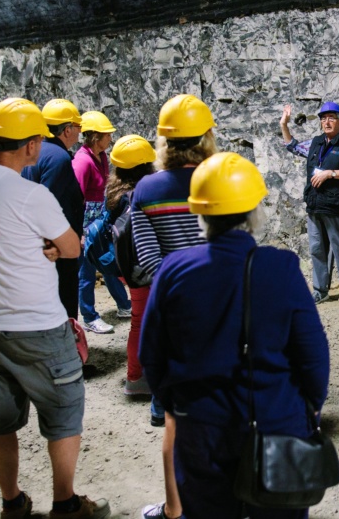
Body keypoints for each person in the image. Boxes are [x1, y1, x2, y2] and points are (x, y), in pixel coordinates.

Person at [140, 152, 330, 519]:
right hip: (278, 424)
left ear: (200, 212)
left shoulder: (174, 270)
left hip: (202, 430)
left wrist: (181, 403)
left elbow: (153, 356)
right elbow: (313, 357)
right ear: (254, 211)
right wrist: (309, 410)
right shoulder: (281, 267)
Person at [0, 98, 110, 519]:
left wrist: (36, 244)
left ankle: (13, 502)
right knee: (64, 413)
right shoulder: (33, 195)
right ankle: (65, 502)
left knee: (2, 419)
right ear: (30, 144)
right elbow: (72, 247)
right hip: (38, 328)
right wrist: (47, 245)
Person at [132, 93, 218, 519]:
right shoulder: (220, 181)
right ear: (206, 137)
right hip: (219, 310)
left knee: (174, 419)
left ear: (163, 142)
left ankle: (174, 509)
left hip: (171, 313)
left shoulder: (146, 190)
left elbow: (147, 261)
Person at [279, 100, 339, 310]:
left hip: (337, 207)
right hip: (315, 205)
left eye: (331, 118)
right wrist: (284, 125)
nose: (326, 122)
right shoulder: (316, 143)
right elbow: (294, 146)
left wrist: (330, 173)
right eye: (323, 118)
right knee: (316, 248)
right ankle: (320, 290)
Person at [22, 98, 85, 320]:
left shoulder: (37, 152)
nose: (80, 132)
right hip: (57, 246)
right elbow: (50, 206)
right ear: (67, 130)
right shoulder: (58, 158)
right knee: (64, 298)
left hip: (39, 242)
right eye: (78, 127)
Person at [105, 134, 157, 397]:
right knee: (146, 322)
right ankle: (136, 377)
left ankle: (138, 375)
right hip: (144, 269)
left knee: (139, 321)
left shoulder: (115, 193)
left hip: (127, 268)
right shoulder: (139, 195)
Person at [73, 110, 131, 334]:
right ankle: (88, 316)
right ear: (95, 136)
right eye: (107, 134)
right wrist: (79, 231)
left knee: (107, 260)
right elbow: (75, 197)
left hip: (100, 216)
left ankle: (124, 305)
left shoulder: (102, 157)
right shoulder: (82, 161)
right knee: (86, 270)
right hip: (85, 218)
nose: (110, 138)